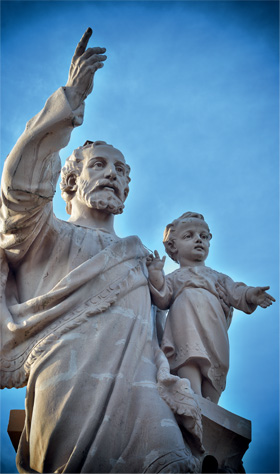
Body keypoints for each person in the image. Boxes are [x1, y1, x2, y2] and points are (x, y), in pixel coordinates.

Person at [0, 29, 202, 473]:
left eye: (121, 170)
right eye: (99, 165)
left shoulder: (140, 256)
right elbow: (18, 189)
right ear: (71, 181)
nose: (113, 174)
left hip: (145, 387)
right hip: (69, 384)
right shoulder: (43, 233)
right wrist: (69, 101)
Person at [146, 212, 275, 404]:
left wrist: (250, 294)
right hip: (184, 325)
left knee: (216, 365)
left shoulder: (218, 276)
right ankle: (192, 396)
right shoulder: (175, 277)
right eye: (188, 236)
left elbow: (236, 291)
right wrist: (156, 274)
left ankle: (210, 404)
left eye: (204, 236)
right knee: (189, 355)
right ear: (173, 246)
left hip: (214, 327)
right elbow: (162, 299)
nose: (198, 240)